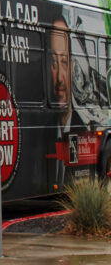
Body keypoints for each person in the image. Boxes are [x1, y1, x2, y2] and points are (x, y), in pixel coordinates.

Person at [48, 17, 85, 186]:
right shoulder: (43, 137)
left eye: (63, 62)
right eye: (54, 63)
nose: (60, 78)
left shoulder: (83, 128)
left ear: (72, 66)